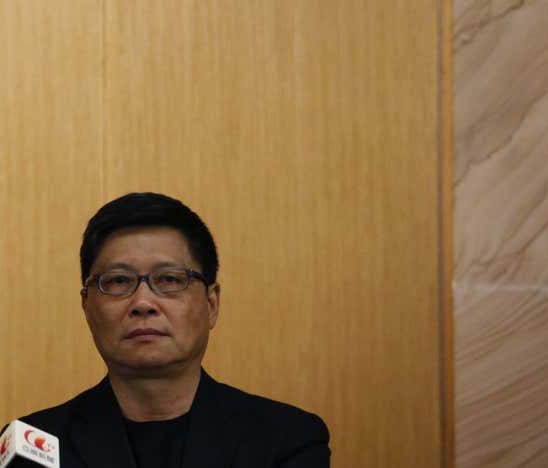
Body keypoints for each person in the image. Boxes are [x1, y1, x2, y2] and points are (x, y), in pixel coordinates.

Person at [17, 192, 329, 468]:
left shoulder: (286, 440)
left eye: (168, 280)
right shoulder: (35, 449)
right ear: (87, 307)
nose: (143, 302)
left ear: (211, 304)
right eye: (118, 281)